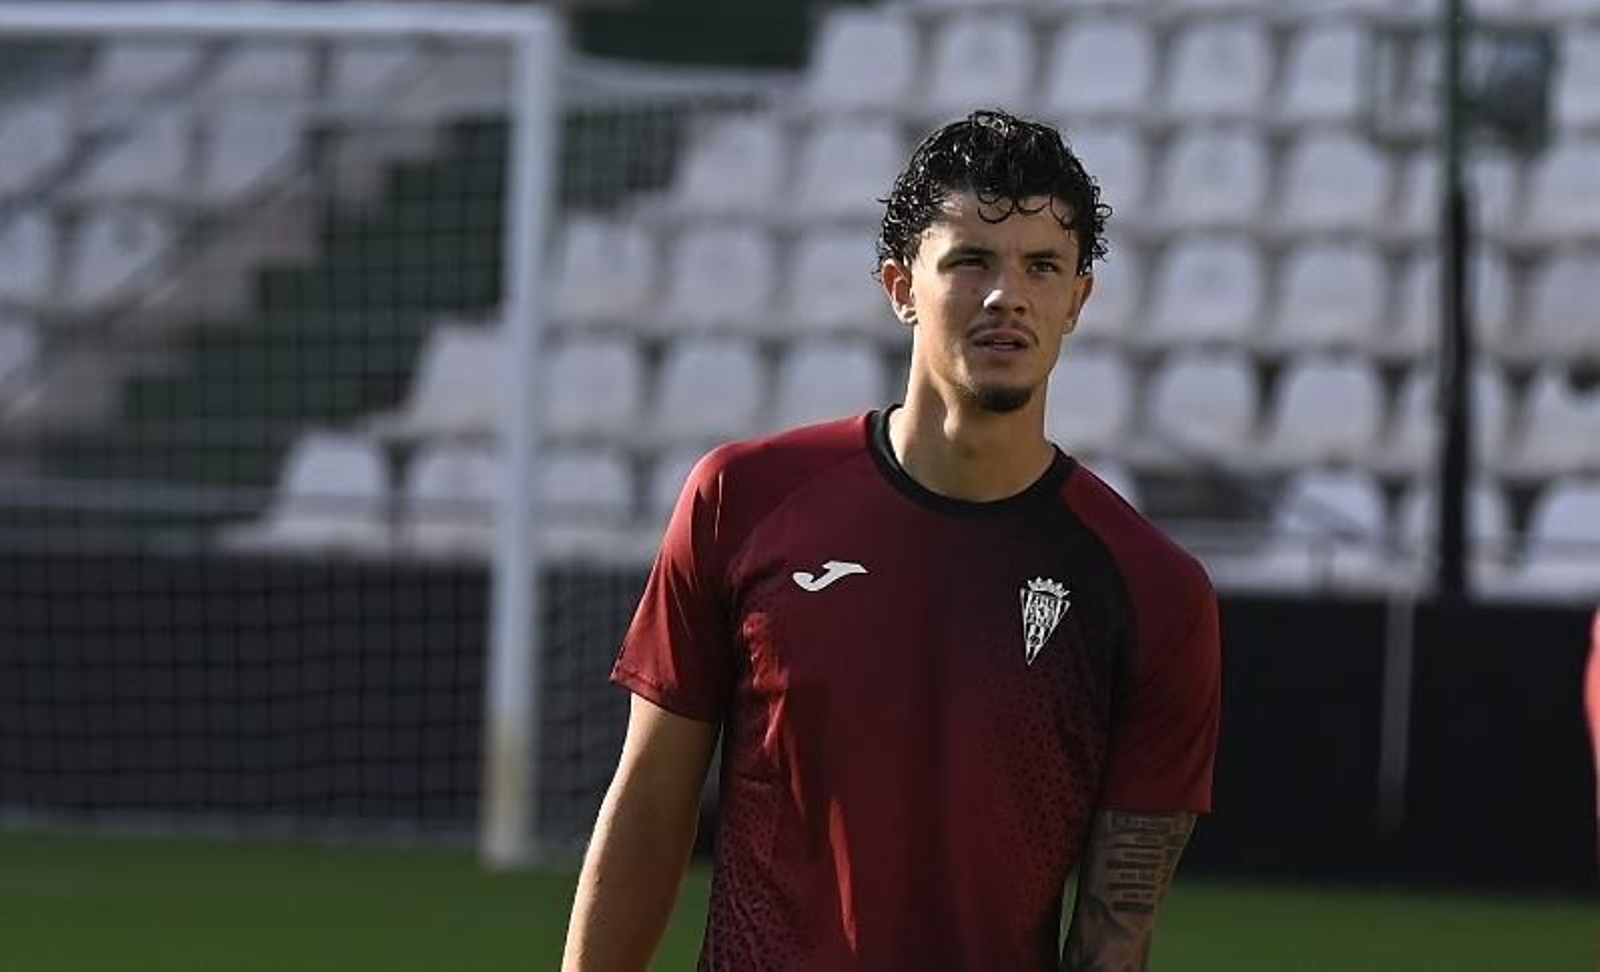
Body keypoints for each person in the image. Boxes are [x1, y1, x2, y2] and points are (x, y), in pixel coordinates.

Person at [562, 108, 1222, 971]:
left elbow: (1114, 933)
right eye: (971, 262)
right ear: (900, 286)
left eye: (1042, 266)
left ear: (1077, 300)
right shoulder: (742, 502)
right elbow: (649, 806)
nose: (1006, 295)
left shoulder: (1152, 591)